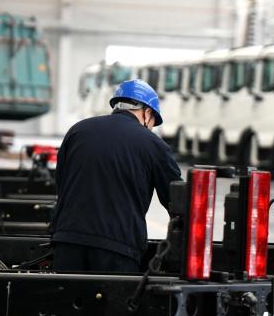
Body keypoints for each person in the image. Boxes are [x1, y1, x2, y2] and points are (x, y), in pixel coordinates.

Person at [51, 79, 181, 273]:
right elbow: (177, 201)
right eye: (153, 123)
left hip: (67, 241)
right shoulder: (153, 144)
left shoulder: (77, 131)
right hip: (118, 248)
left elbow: (61, 183)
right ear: (147, 112)